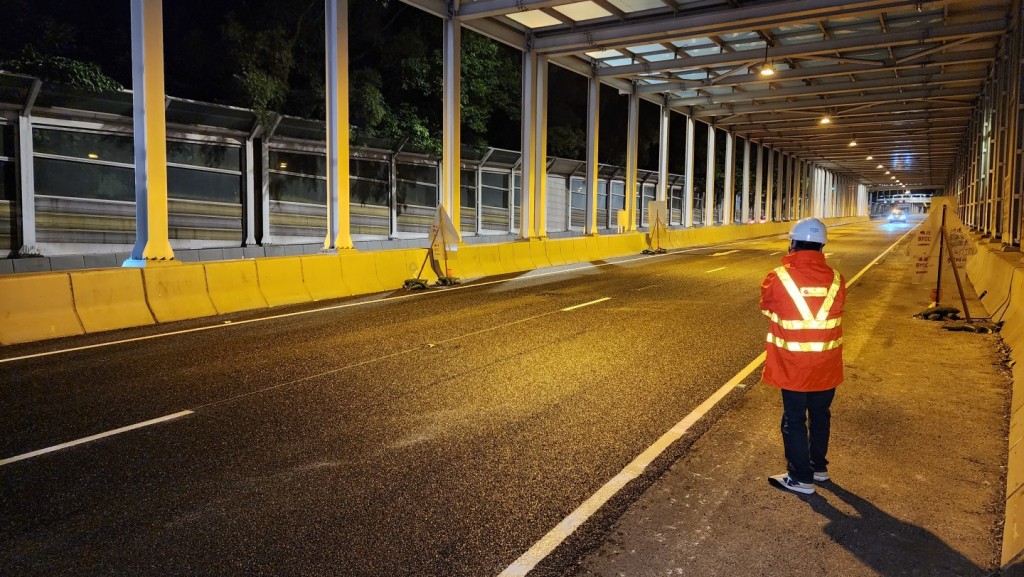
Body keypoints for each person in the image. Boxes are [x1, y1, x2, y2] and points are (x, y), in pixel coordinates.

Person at [761, 217, 846, 495]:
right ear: (822, 246)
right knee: (821, 414)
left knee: (794, 418)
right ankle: (818, 468)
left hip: (794, 364)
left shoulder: (777, 277)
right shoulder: (836, 278)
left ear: (792, 243)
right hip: (826, 363)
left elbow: (768, 308)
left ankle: (800, 477)